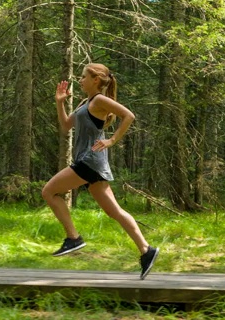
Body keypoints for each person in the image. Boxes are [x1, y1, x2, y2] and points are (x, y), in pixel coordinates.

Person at [41, 63, 159, 280]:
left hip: (89, 160)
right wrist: (60, 103)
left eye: (84, 76)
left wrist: (112, 140)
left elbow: (128, 115)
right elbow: (66, 126)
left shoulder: (100, 100)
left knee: (48, 192)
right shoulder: (85, 102)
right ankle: (146, 250)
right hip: (93, 163)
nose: (80, 80)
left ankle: (73, 238)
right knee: (114, 211)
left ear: (96, 79)